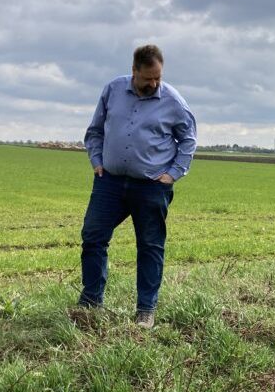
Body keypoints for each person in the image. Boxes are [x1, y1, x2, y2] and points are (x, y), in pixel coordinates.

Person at [77, 44, 197, 328]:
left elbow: (189, 140)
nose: (154, 84)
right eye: (148, 78)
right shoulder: (113, 90)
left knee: (150, 246)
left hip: (151, 187)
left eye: (158, 78)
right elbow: (94, 131)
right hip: (110, 183)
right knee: (93, 237)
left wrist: (173, 174)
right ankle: (91, 303)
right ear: (134, 71)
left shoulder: (174, 101)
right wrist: (96, 161)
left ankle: (146, 310)